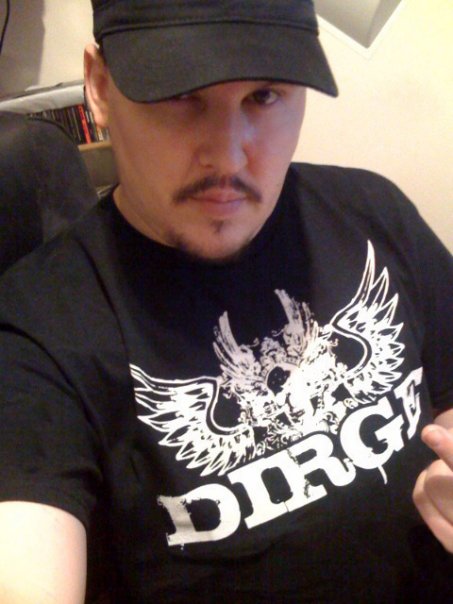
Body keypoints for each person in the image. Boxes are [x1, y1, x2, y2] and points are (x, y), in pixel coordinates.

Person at [0, 1, 452, 602]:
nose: (230, 155)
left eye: (264, 95)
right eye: (179, 95)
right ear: (100, 87)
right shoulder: (35, 332)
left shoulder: (373, 212)